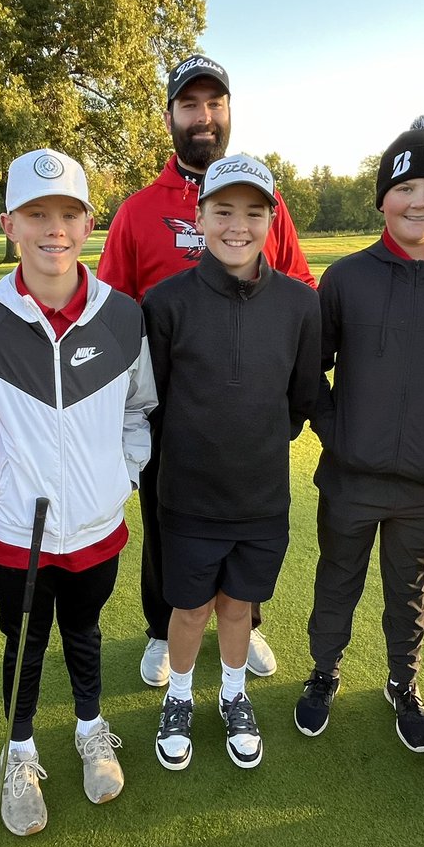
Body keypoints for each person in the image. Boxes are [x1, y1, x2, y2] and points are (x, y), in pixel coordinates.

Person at [0, 149, 156, 836]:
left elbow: (138, 409)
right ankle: (19, 751)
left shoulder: (124, 317)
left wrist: (121, 475)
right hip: (19, 530)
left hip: (98, 523)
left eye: (68, 213)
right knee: (24, 640)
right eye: (37, 214)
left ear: (90, 222)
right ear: (9, 223)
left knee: (86, 631)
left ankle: (91, 730)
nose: (54, 228)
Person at [99, 53, 316, 688]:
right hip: (166, 407)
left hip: (246, 407)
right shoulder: (140, 210)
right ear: (170, 115)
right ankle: (162, 630)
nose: (203, 116)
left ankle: (242, 625)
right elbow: (112, 310)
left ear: (228, 112)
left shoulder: (262, 204)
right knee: (167, 528)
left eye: (214, 103)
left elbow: (296, 289)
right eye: (190, 104)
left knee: (248, 522)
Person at [295, 116, 424, 749]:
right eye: (405, 188)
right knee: (337, 581)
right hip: (352, 478)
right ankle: (323, 674)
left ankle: (402, 684)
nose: (419, 201)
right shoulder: (346, 278)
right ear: (383, 197)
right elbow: (308, 373)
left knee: (409, 593)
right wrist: (337, 432)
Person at [142, 154, 320, 771]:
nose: (237, 225)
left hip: (261, 497)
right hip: (188, 496)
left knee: (239, 606)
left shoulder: (300, 304)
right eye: (223, 211)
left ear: (272, 219)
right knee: (189, 608)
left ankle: (234, 695)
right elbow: (154, 400)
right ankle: (181, 697)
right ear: (200, 217)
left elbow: (300, 400)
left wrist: (257, 439)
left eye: (253, 211)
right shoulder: (164, 303)